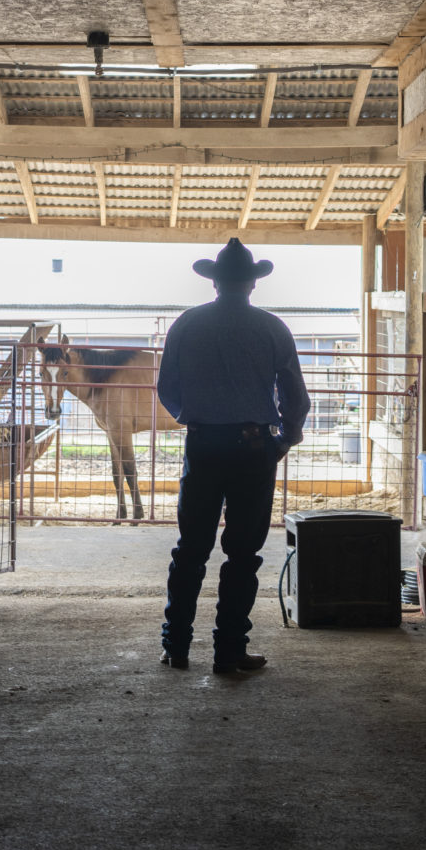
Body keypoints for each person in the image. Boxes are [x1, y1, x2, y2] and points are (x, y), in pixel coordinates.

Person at [156, 238, 311, 673]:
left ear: (215, 282)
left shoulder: (187, 324)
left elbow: (167, 388)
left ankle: (176, 647)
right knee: (242, 553)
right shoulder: (272, 328)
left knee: (191, 549)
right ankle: (229, 651)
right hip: (253, 447)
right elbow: (295, 394)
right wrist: (286, 438)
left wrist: (194, 417)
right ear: (252, 284)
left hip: (203, 444)